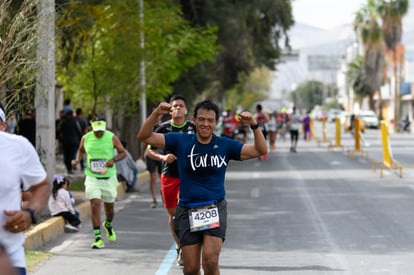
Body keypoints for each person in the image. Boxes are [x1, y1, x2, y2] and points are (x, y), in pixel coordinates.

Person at [137, 100, 267, 275]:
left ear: (216, 123)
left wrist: (254, 125)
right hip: (187, 209)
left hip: (214, 207)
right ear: (194, 120)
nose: (206, 124)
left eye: (210, 120)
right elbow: (144, 136)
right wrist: (156, 114)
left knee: (210, 261)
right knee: (190, 269)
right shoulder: (181, 140)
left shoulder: (225, 145)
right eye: (201, 119)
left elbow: (260, 150)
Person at [145, 95, 195, 266]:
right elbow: (149, 151)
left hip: (189, 176)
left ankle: (191, 246)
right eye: (174, 106)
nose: (178, 108)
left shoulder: (193, 128)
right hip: (169, 176)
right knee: (174, 215)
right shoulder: (163, 128)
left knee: (188, 212)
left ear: (186, 110)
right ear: (170, 109)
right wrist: (163, 156)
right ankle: (179, 246)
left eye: (181, 106)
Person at [1, 103, 50, 275]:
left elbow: (42, 185)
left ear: (3, 125)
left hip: (10, 259)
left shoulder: (18, 147)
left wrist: (29, 213)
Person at [71, 118, 126, 249]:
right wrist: (77, 160)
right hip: (92, 177)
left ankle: (108, 224)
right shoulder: (86, 138)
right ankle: (98, 238)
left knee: (110, 209)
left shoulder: (112, 137)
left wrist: (114, 160)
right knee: (95, 205)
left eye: (101, 131)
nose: (99, 133)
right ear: (92, 128)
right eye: (97, 131)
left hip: (108, 177)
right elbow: (81, 150)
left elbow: (123, 153)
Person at [60, 110, 83, 174]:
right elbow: (79, 131)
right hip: (73, 142)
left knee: (67, 155)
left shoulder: (63, 122)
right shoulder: (75, 122)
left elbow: (60, 132)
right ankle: (72, 167)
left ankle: (68, 168)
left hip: (65, 142)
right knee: (73, 155)